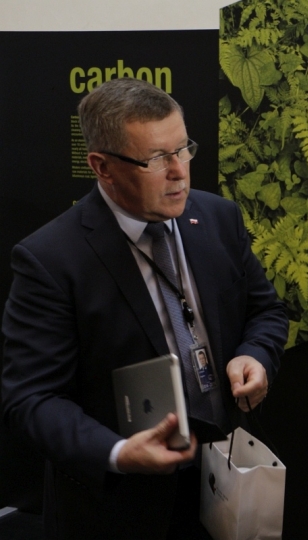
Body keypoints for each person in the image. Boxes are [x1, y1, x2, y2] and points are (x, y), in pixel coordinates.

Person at [1, 78, 289, 539]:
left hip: (221, 482)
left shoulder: (218, 218)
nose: (179, 172)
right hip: (117, 508)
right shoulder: (50, 260)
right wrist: (117, 453)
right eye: (156, 158)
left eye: (183, 149)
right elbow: (31, 399)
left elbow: (266, 312)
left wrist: (255, 355)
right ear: (103, 167)